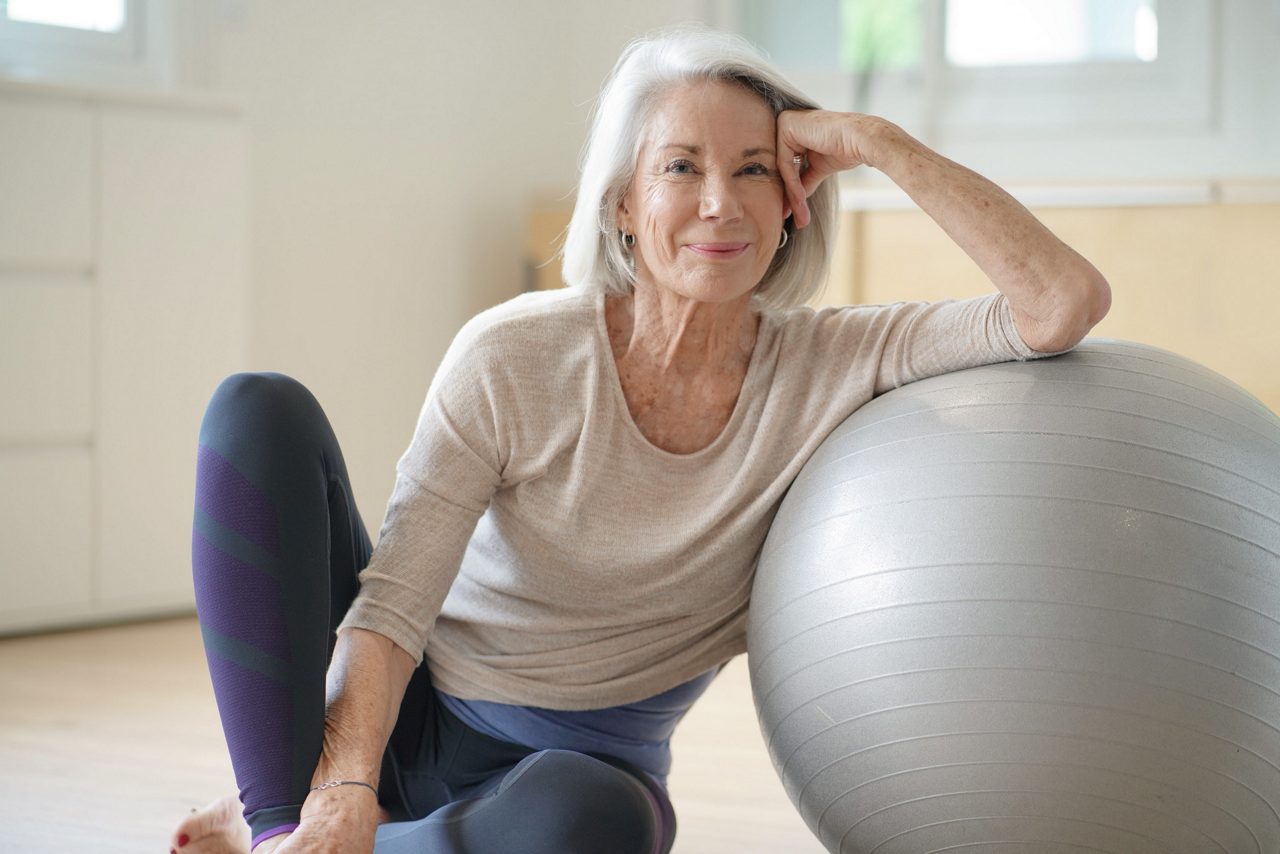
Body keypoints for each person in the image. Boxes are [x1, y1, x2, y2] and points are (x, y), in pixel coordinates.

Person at [172, 24, 1110, 854]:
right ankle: (286, 829)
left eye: (754, 168)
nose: (719, 202)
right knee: (258, 411)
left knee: (594, 821)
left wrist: (878, 142)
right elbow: (394, 607)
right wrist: (345, 783)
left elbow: (1059, 304)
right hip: (406, 711)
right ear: (622, 202)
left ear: (793, 204)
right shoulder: (515, 354)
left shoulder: (837, 363)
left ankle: (348, 840)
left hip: (570, 780)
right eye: (681, 167)